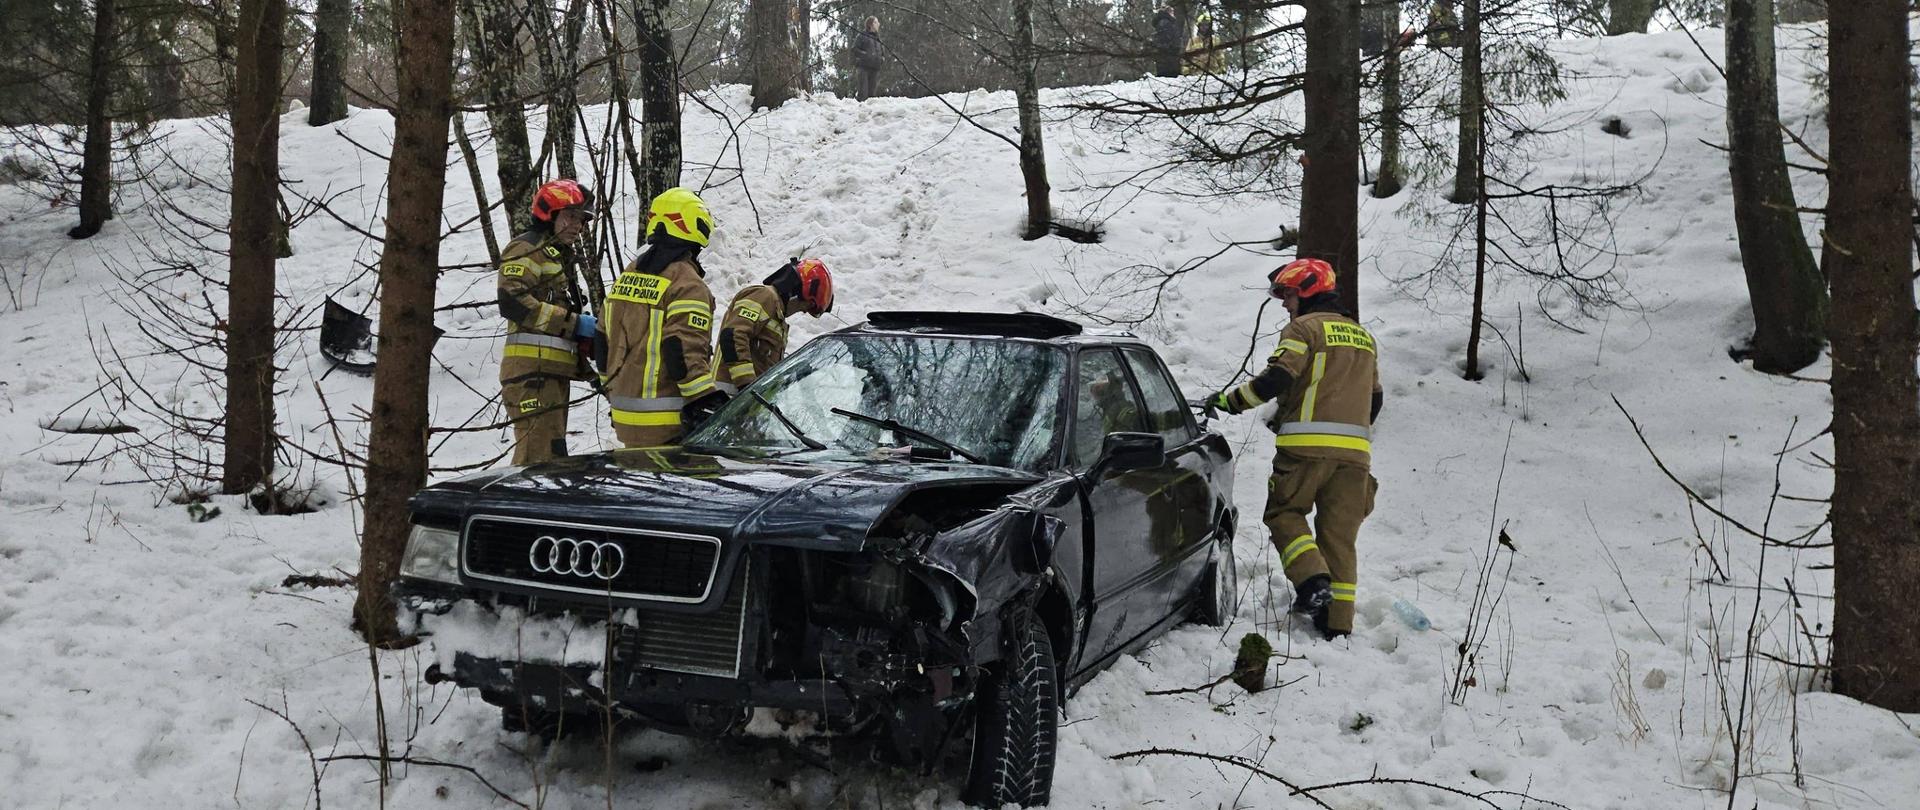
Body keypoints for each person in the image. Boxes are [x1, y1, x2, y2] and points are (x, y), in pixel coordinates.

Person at [1207, 258, 1382, 640]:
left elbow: (1278, 377)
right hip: (1355, 458)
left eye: (1288, 295)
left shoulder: (1303, 328)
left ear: (1306, 291)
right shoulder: (1363, 338)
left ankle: (1312, 581)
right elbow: (1375, 401)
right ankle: (1337, 624)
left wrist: (1228, 401)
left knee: (1285, 514)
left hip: (1304, 449)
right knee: (1339, 537)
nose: (1285, 305)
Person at [601, 187, 726, 447]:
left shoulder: (629, 275)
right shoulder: (687, 284)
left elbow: (601, 341)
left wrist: (612, 389)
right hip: (668, 422)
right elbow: (681, 351)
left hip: (624, 417)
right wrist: (707, 401)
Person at [496, 179, 597, 466]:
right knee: (536, 462)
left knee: (550, 457)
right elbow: (512, 302)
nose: (578, 226)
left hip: (549, 374)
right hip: (531, 375)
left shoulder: (556, 256)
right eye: (570, 217)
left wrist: (589, 366)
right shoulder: (526, 248)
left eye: (581, 220)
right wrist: (574, 323)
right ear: (548, 213)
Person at [715, 257, 834, 393]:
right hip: (726, 400)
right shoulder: (764, 296)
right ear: (799, 291)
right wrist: (747, 387)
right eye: (808, 304)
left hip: (744, 407)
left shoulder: (778, 319)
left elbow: (763, 366)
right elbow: (733, 335)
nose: (804, 310)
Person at [852, 17, 884, 100]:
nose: (878, 24)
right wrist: (865, 55)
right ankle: (859, 111)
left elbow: (882, 51)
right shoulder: (862, 35)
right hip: (863, 68)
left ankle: (870, 112)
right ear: (871, 24)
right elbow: (855, 49)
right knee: (863, 94)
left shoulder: (878, 38)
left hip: (875, 68)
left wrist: (882, 59)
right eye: (876, 22)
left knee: (872, 96)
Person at [1151, 6, 1182, 78]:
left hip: (1162, 59)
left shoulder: (1160, 23)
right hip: (1169, 60)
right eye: (1172, 11)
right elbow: (1169, 40)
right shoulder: (1166, 23)